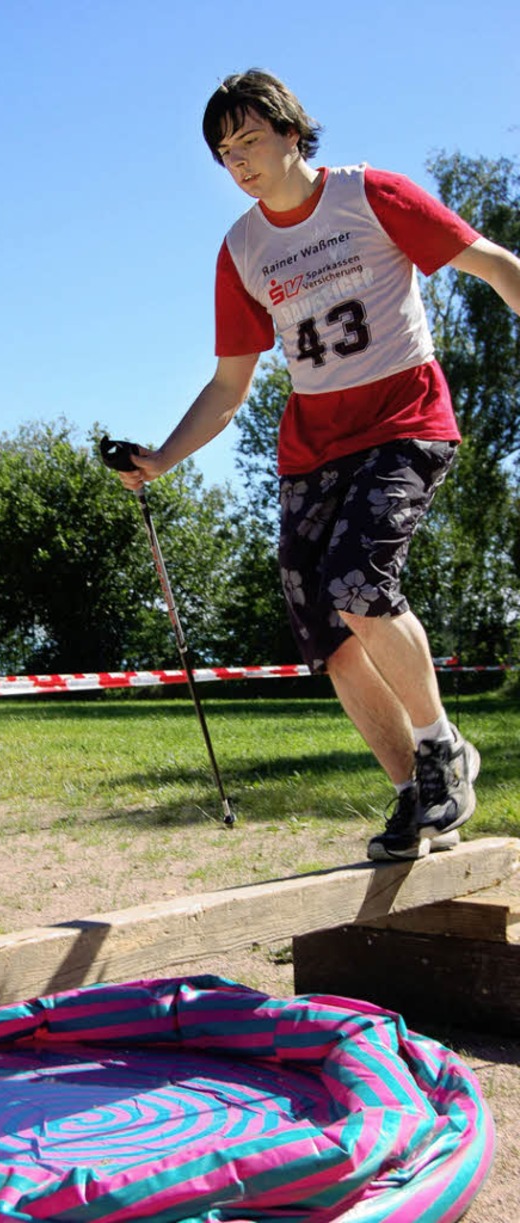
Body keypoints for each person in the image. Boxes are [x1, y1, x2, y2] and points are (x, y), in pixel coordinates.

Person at [116, 69, 520, 861]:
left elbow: (497, 264)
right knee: (328, 633)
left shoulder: (372, 196)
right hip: (313, 450)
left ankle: (445, 750)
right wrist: (162, 457)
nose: (237, 160)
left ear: (292, 134)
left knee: (358, 581)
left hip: (403, 423)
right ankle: (416, 793)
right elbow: (231, 385)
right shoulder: (242, 249)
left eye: (250, 140)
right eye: (223, 151)